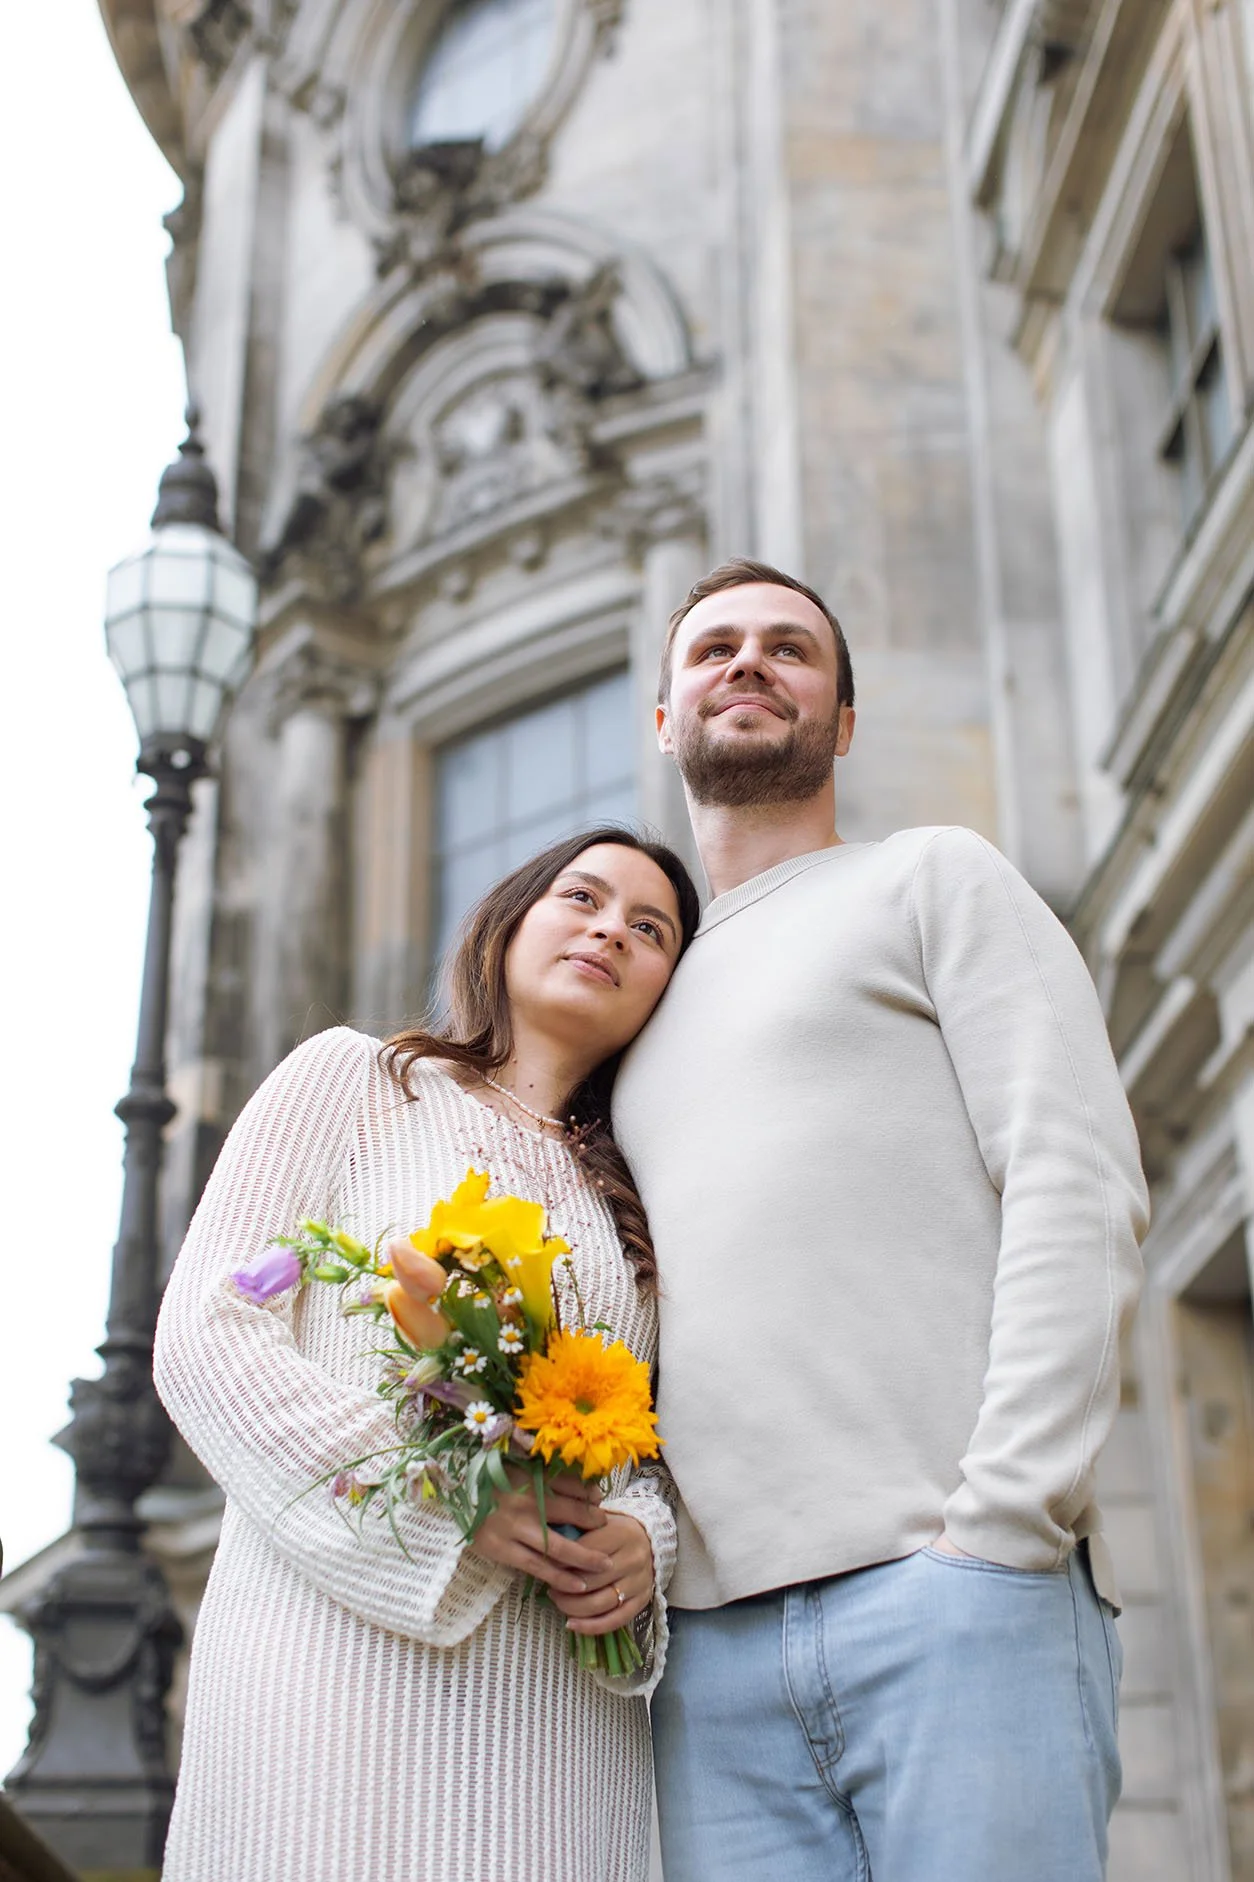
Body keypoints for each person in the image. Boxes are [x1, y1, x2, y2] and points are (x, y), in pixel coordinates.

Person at [612, 558, 1150, 1882]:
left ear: (842, 721)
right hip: (706, 1668)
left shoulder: (933, 879)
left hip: (952, 1597)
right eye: (713, 648)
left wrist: (1003, 1523)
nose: (747, 663)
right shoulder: (637, 1002)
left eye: (789, 649)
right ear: (664, 717)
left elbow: (1073, 1178)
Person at [153, 827, 700, 1882]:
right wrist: (453, 1502)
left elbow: (653, 1455)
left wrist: (642, 1541)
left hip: (558, 1720)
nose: (609, 930)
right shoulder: (356, 1081)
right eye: (581, 897)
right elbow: (208, 1334)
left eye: (650, 928)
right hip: (328, 1663)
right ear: (508, 921)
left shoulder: (644, 1202)